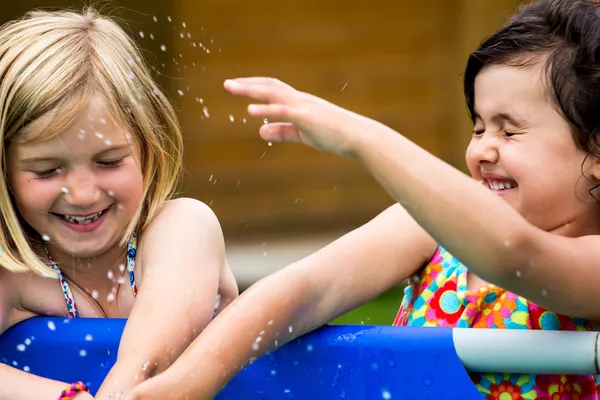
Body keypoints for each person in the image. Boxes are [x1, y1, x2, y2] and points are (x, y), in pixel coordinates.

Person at [126, 0, 600, 399]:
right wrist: (186, 383)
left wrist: (362, 137)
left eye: (509, 129)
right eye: (478, 126)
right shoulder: (424, 227)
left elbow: (517, 255)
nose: (481, 149)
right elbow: (306, 289)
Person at [0, 7, 238, 400]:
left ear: (147, 148)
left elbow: (147, 364)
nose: (82, 194)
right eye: (46, 171)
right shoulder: (15, 273)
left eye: (108, 162)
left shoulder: (181, 231)